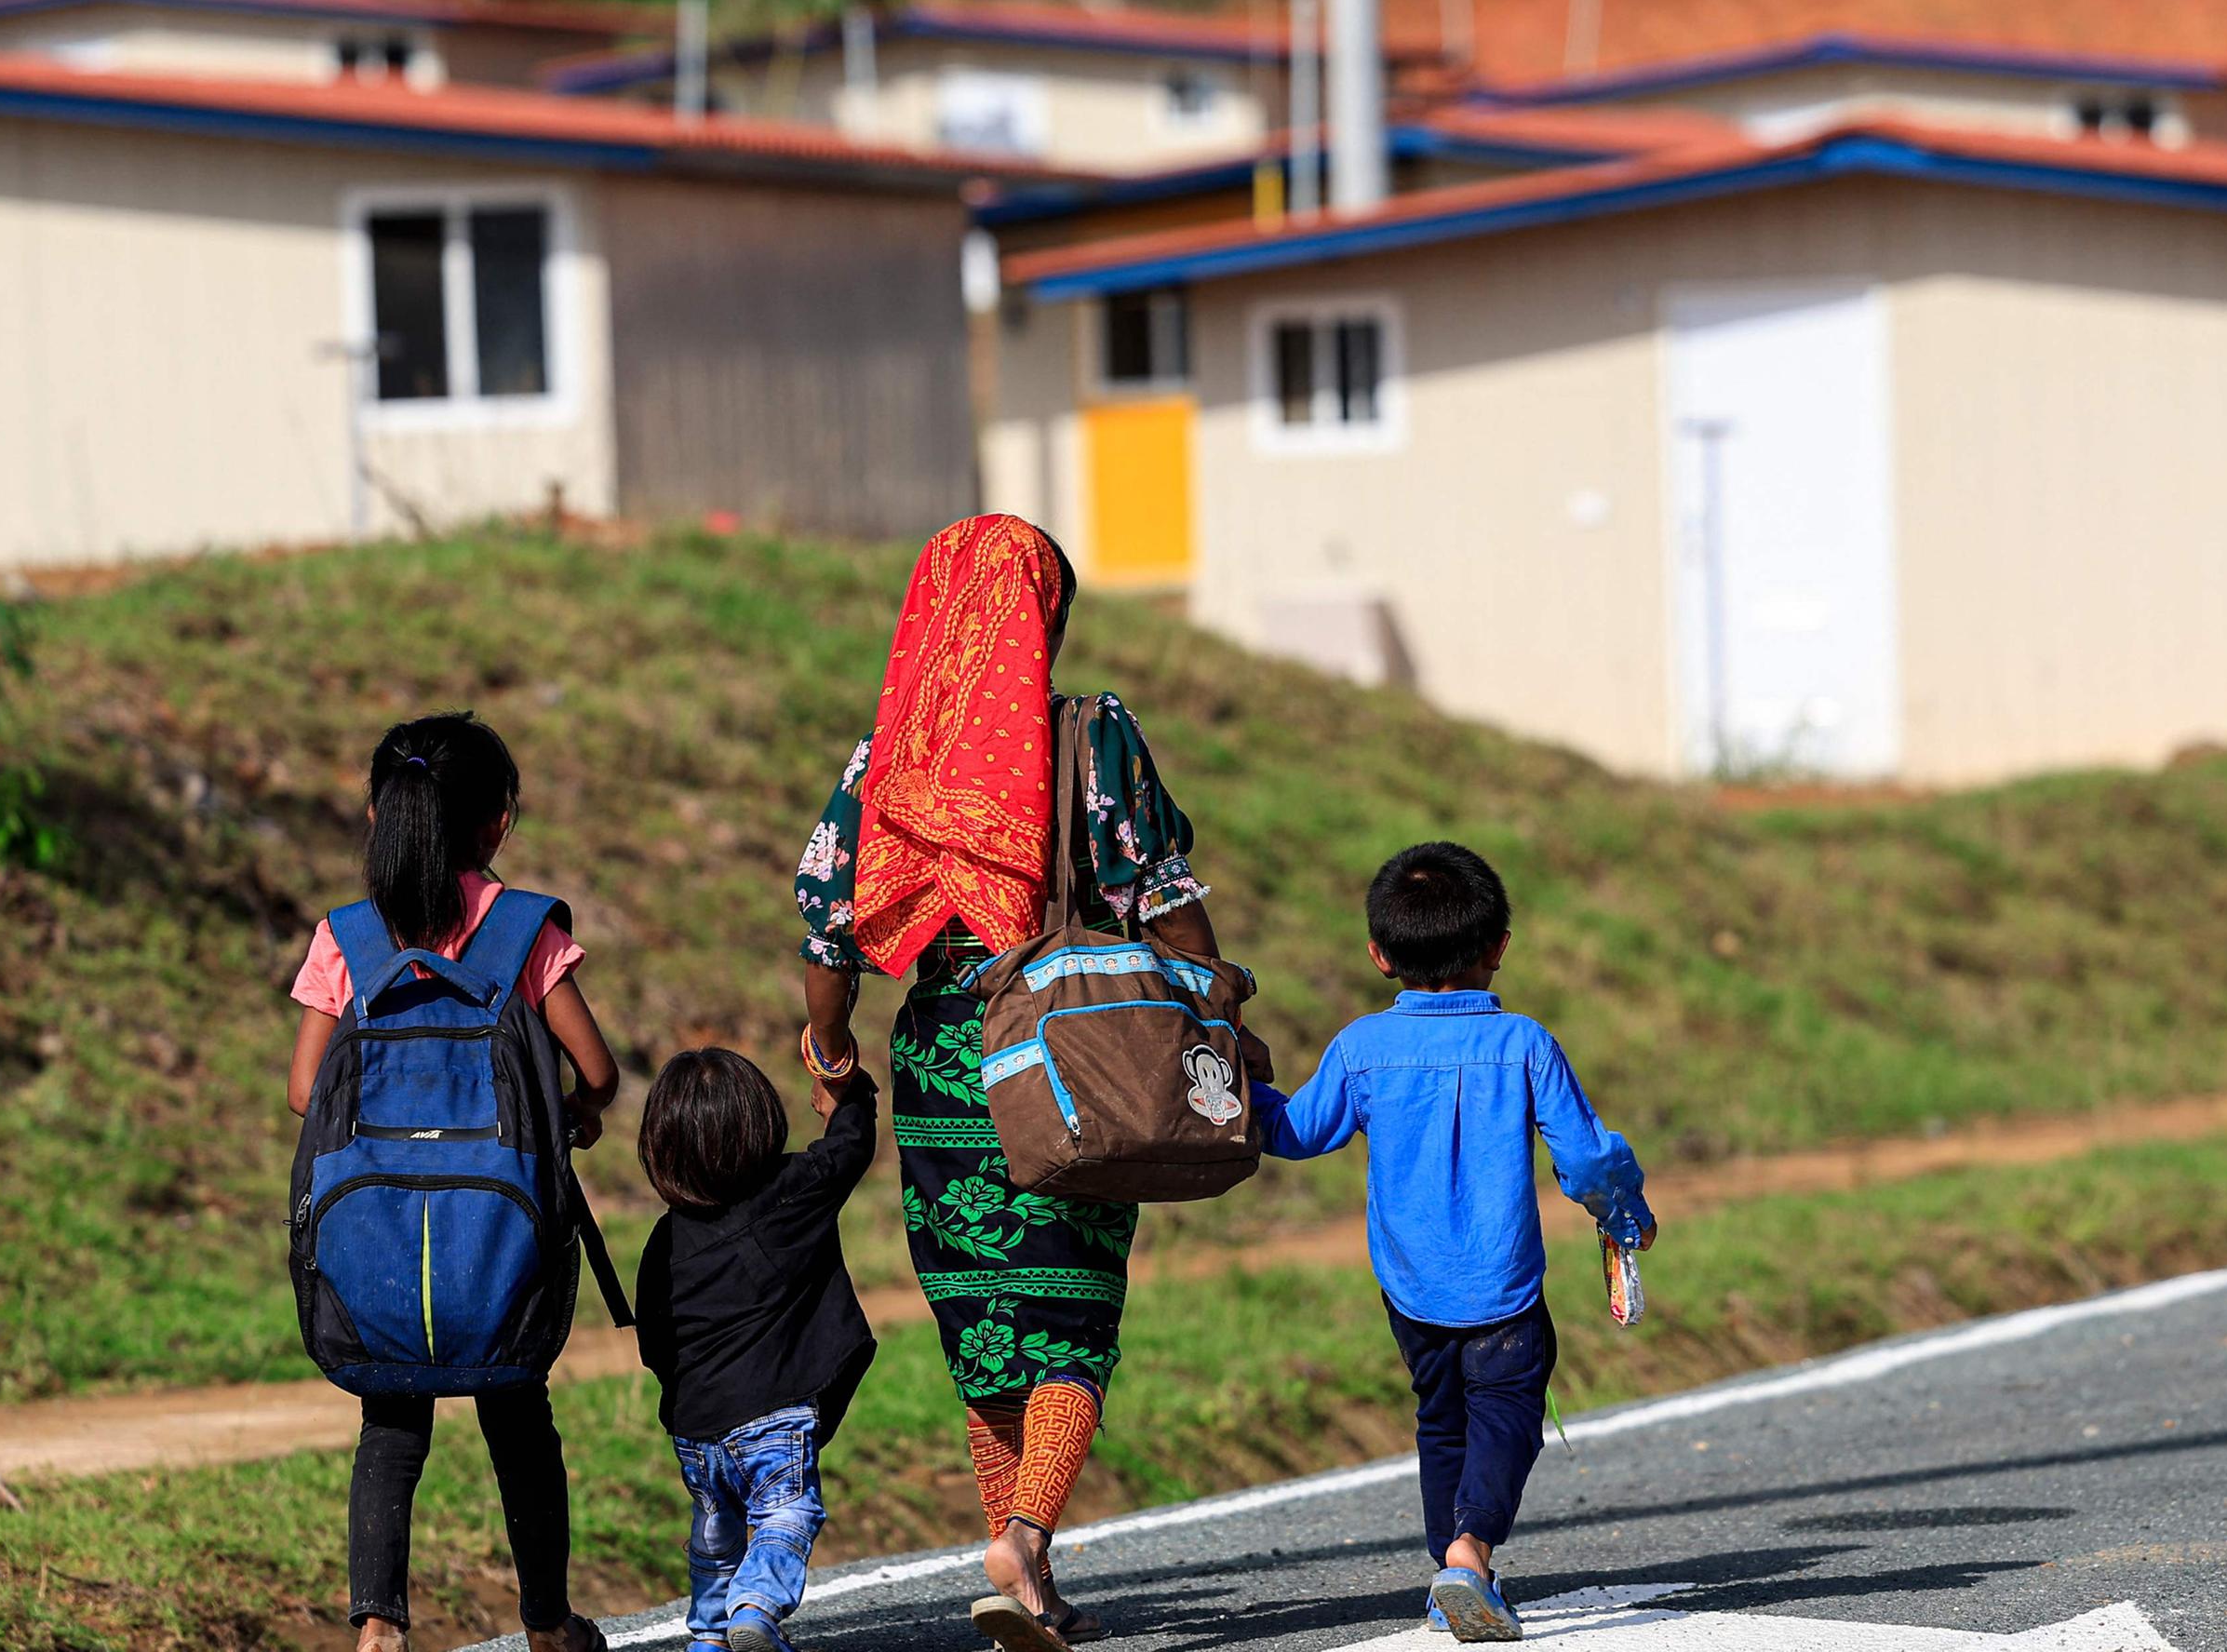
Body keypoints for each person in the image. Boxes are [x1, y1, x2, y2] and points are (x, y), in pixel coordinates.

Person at [793, 514, 1245, 1652]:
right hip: (1059, 1054)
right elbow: (1159, 891)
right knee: (1070, 1317)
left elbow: (828, 932)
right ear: (1043, 616)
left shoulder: (885, 755)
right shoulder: (1092, 738)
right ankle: (1025, 1538)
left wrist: (830, 1051)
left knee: (987, 1320)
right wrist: (1214, 991)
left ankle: (1019, 1570)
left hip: (943, 1054)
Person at [1254, 841, 1657, 1645]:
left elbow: (1295, 1132)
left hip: (1409, 1288)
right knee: (1507, 1413)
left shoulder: (1363, 1047)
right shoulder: (1525, 1043)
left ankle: (1452, 1579)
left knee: (1441, 1422)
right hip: (1502, 1284)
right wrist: (1624, 1212)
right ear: (1499, 947)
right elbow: (1582, 1159)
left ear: (1379, 954)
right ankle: (1470, 1555)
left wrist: (1227, 1084)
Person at [286, 712, 620, 1652]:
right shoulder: (523, 930)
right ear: (497, 826)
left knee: (391, 1425)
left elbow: (308, 1089)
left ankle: (379, 1631)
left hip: (380, 1238)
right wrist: (575, 1119)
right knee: (520, 1417)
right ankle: (549, 1627)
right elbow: (594, 1071)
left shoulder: (347, 939)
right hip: (500, 1244)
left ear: (373, 816)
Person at [634, 1047, 880, 1652]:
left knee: (715, 1538)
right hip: (773, 1419)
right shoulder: (792, 1191)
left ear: (662, 1149)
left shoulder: (664, 1240)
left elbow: (654, 1341)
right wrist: (849, 1093)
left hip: (696, 1432)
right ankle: (758, 1605)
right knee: (783, 1515)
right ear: (760, 1123)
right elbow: (851, 1148)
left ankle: (711, 1637)